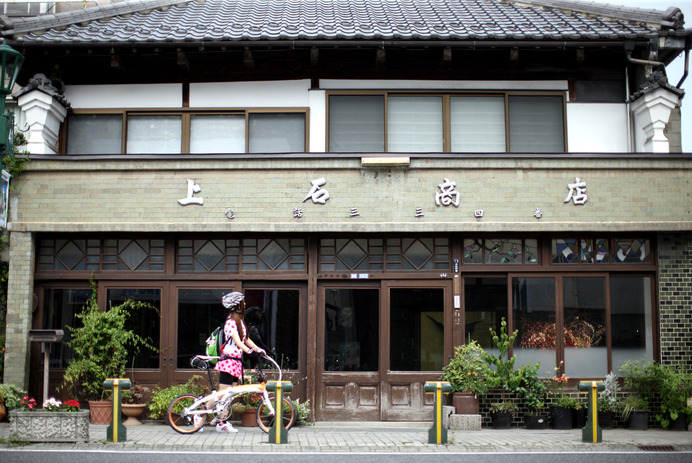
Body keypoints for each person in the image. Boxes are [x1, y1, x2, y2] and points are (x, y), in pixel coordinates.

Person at [201, 291, 265, 433]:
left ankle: (221, 421)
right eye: (243, 302)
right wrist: (249, 351)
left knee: (230, 395)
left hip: (236, 362)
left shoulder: (240, 322)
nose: (245, 304)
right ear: (238, 305)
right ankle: (201, 414)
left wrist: (258, 349)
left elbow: (246, 339)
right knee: (222, 392)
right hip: (228, 361)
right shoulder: (230, 322)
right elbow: (237, 341)